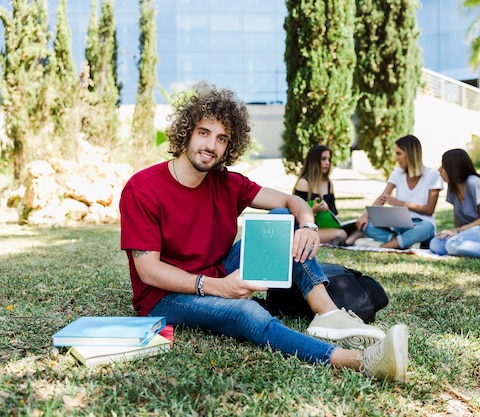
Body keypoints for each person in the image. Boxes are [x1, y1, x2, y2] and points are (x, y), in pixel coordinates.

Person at [119, 82, 408, 382]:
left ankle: (327, 313)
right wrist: (219, 288)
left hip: (218, 271)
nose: (211, 146)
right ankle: (360, 361)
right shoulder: (143, 188)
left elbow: (290, 201)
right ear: (187, 132)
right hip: (164, 296)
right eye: (203, 133)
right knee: (246, 312)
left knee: (285, 218)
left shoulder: (227, 182)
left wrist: (308, 225)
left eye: (222, 138)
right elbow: (148, 271)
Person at [354, 135, 443, 250]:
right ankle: (406, 242)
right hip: (400, 225)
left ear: (410, 154)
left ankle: (385, 245)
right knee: (366, 225)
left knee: (428, 227)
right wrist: (365, 215)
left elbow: (429, 210)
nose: (396, 158)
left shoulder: (432, 175)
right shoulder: (397, 173)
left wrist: (400, 203)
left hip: (421, 225)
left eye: (399, 153)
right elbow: (383, 197)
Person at [293, 145, 359, 246]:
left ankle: (345, 242)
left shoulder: (329, 184)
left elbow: (333, 213)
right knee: (341, 234)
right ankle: (345, 242)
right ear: (313, 161)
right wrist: (314, 210)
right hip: (307, 228)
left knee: (361, 227)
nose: (327, 163)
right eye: (323, 159)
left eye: (329, 159)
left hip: (327, 228)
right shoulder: (304, 183)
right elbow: (296, 215)